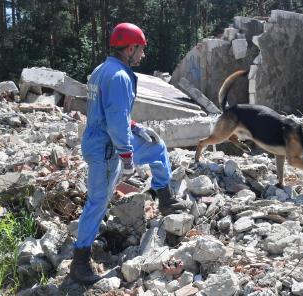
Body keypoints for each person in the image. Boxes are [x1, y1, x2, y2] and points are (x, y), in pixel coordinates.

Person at [69, 23, 188, 285]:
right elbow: (115, 121)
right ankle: (79, 263)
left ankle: (165, 199)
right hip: (107, 149)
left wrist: (135, 127)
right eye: (141, 50)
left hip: (104, 140)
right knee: (98, 202)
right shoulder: (120, 76)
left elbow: (109, 112)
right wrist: (127, 157)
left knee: (156, 146)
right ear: (131, 48)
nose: (143, 56)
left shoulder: (102, 70)